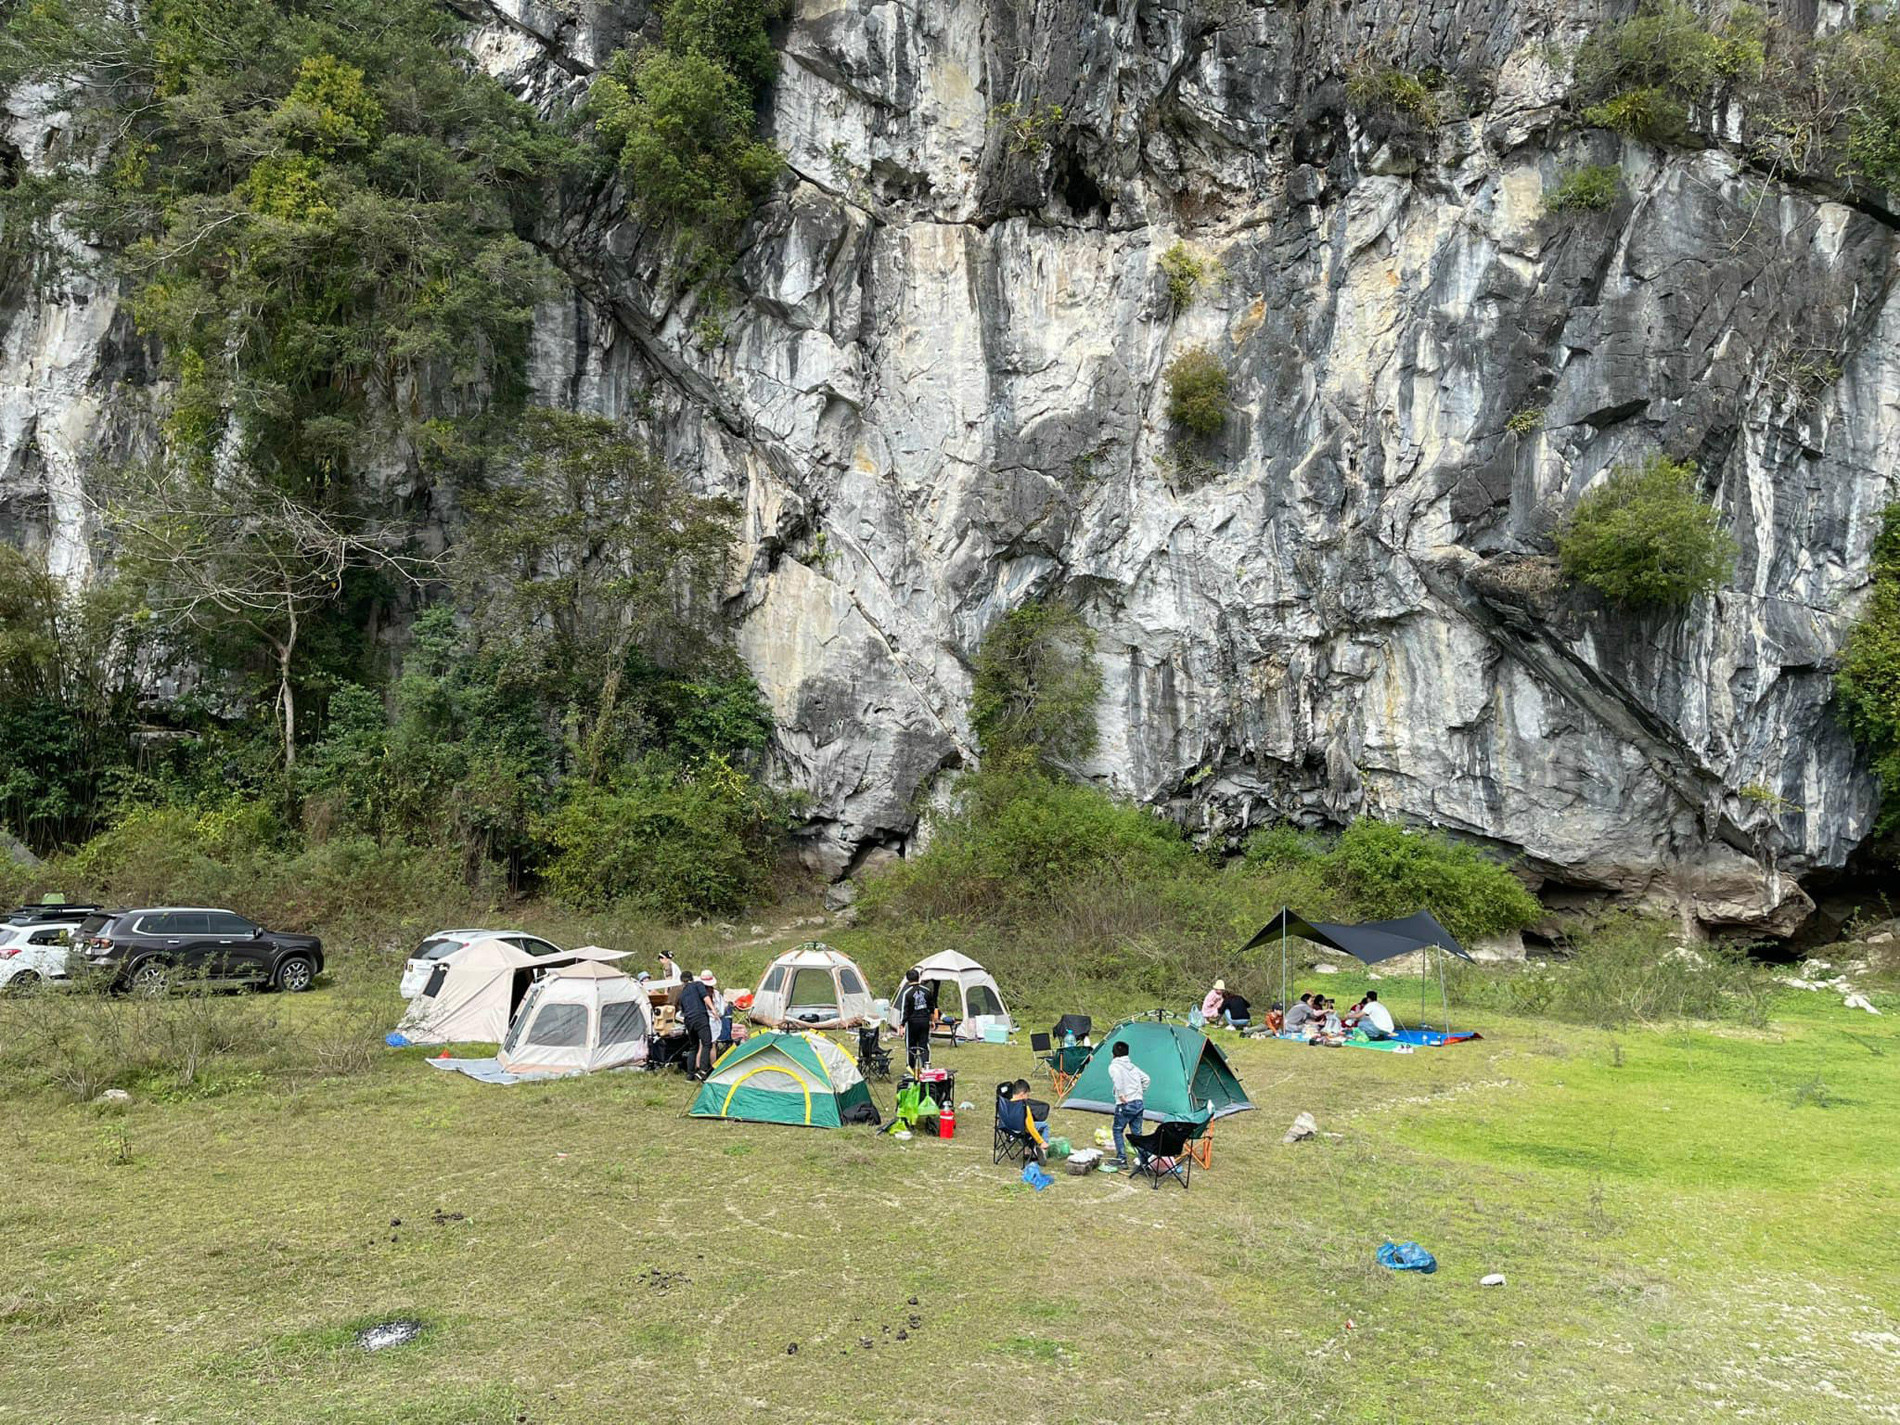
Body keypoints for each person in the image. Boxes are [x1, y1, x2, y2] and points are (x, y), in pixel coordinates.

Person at [1107, 1040, 1149, 1166]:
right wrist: (1140, 1093)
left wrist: (1121, 1095)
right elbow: (1146, 1079)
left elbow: (1118, 1080)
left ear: (1113, 1054)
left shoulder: (1114, 1066)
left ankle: (1121, 1159)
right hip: (1138, 1102)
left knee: (1117, 1129)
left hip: (1125, 1103)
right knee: (1137, 1133)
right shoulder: (1133, 1067)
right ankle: (1144, 1160)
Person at [678, 970, 717, 1080]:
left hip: (688, 1021)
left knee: (693, 1046)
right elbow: (705, 997)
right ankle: (703, 1071)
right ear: (692, 978)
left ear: (682, 981)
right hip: (700, 1017)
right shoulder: (698, 985)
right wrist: (713, 1009)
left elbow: (683, 1010)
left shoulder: (682, 993)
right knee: (707, 1043)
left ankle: (690, 1074)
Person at [998, 1079, 1050, 1161]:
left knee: (1021, 1126)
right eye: (1027, 1095)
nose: (1027, 1098)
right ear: (1022, 1094)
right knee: (1044, 1125)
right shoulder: (1024, 1107)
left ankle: (1027, 1150)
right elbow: (1030, 1127)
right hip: (1021, 1129)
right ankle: (1043, 1150)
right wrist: (1041, 1142)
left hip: (1007, 1128)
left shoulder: (1005, 1103)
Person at [898, 968, 933, 1073]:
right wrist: (932, 1021)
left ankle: (911, 1068)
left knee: (911, 1045)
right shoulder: (927, 991)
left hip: (912, 1022)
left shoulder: (907, 993)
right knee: (924, 1044)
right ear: (919, 977)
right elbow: (931, 1007)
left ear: (908, 979)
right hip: (924, 1021)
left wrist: (901, 1025)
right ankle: (925, 1066)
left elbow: (905, 1009)